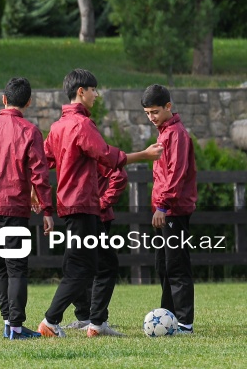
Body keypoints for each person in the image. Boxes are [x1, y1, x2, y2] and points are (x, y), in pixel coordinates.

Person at [38, 68, 163, 338]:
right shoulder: (81, 125)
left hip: (76, 208)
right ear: (81, 91)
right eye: (94, 89)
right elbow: (106, 155)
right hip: (83, 207)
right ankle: (50, 322)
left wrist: (33, 192)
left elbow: (43, 161)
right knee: (83, 269)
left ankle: (95, 324)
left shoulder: (58, 126)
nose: (97, 94)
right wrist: (144, 154)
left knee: (99, 264)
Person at [0, 77, 55, 340]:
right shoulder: (30, 131)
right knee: (16, 266)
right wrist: (47, 209)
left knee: (0, 266)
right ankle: (15, 327)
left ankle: (9, 322)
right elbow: (40, 173)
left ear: (3, 99)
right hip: (12, 207)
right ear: (28, 102)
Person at [141, 84, 197, 335]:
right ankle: (169, 316)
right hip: (164, 210)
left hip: (173, 210)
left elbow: (176, 174)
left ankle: (185, 322)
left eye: (154, 112)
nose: (151, 118)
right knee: (163, 265)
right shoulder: (164, 133)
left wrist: (162, 205)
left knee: (176, 265)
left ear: (168, 107)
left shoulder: (176, 134)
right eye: (147, 114)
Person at [63, 165, 127, 335]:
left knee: (97, 267)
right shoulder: (77, 151)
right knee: (74, 266)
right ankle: (85, 317)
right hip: (80, 215)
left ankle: (97, 319)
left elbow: (118, 175)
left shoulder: (97, 151)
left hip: (98, 218)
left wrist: (101, 203)